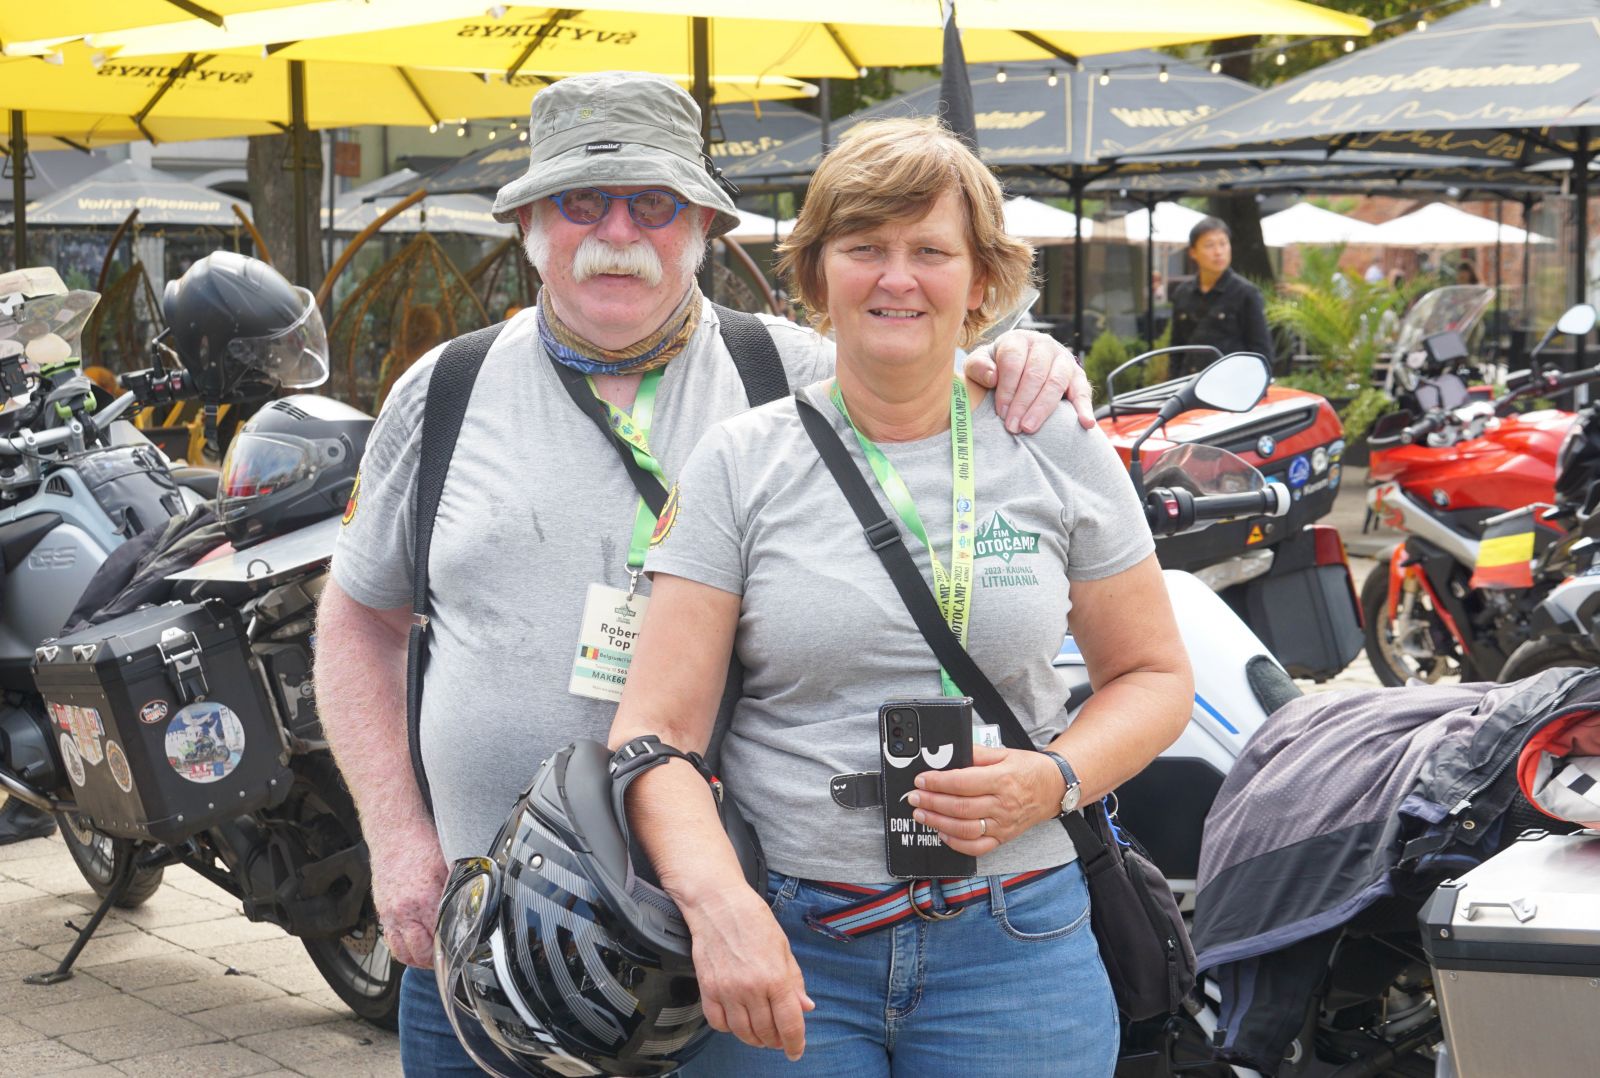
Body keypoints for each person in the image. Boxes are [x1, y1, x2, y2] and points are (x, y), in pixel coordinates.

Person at [314, 72, 1096, 1072]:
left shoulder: (797, 375)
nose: (617, 233)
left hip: (716, 943)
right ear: (528, 224)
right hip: (484, 928)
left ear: (703, 225)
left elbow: (929, 369)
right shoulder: (445, 390)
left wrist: (1023, 362)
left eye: (653, 204)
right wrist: (395, 839)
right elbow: (360, 621)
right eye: (581, 202)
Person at [609, 117, 1193, 1076]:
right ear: (816, 273)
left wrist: (1053, 779)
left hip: (1017, 946)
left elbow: (1154, 676)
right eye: (864, 248)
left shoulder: (1057, 445)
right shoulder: (739, 464)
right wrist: (720, 910)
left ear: (982, 280)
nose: (897, 277)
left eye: (930, 251)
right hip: (791, 943)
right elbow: (654, 733)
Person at [1169, 216, 1274, 375]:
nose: (1218, 252)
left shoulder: (1246, 293)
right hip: (1189, 383)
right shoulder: (1182, 293)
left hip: (1231, 383)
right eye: (1209, 245)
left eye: (1223, 244)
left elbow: (1262, 352)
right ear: (1193, 252)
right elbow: (1176, 349)